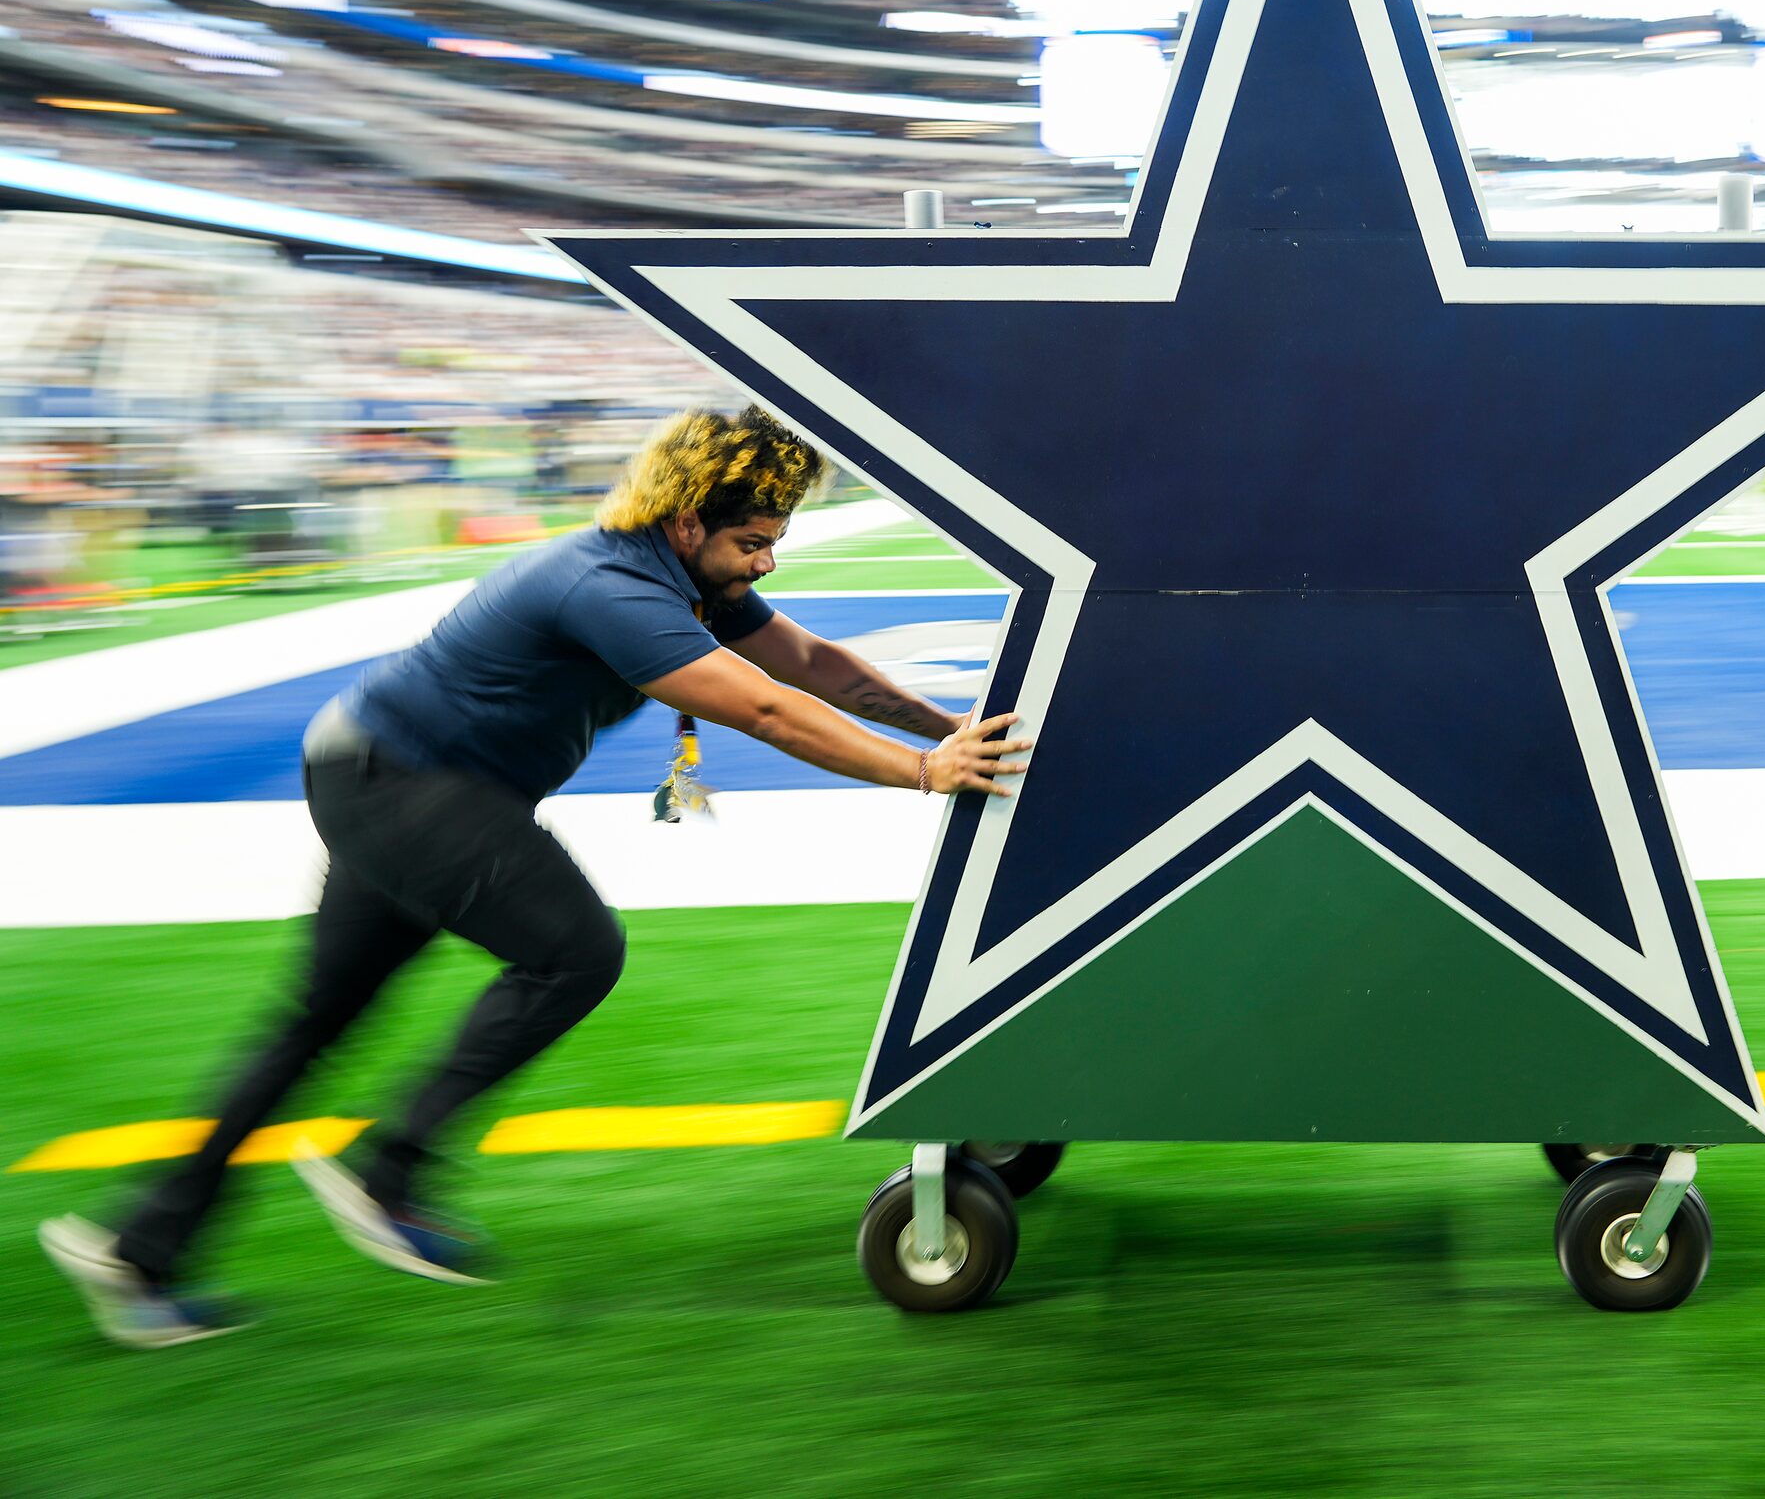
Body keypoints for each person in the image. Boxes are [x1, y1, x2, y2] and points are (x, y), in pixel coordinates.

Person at [40, 405, 1028, 1347]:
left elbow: (808, 659)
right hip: (404, 782)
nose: (767, 561)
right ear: (689, 523)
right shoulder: (609, 587)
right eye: (753, 542)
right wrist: (919, 773)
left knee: (317, 1023)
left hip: (388, 773)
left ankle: (140, 1253)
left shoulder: (684, 573)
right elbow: (763, 710)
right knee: (574, 954)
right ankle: (389, 1171)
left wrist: (951, 733)